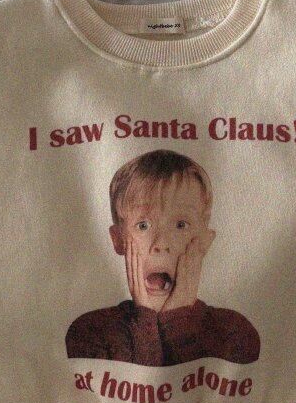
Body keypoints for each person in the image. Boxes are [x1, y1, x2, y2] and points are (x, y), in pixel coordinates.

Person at [65, 149, 260, 367]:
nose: (161, 244)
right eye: (143, 225)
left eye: (180, 225)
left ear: (205, 242)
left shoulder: (234, 332)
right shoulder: (91, 331)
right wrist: (144, 319)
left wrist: (178, 317)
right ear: (117, 239)